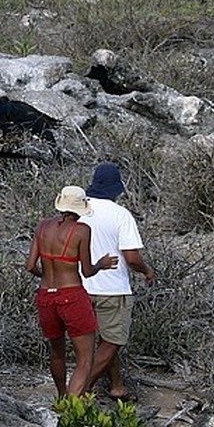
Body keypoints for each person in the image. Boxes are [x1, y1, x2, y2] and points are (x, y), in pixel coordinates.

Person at [26, 186, 117, 398]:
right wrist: (101, 264)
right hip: (72, 295)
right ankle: (70, 410)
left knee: (57, 353)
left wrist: (47, 277)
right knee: (84, 359)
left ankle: (61, 397)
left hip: (46, 296)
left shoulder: (42, 227)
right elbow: (86, 270)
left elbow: (30, 266)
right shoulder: (82, 230)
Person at [80, 162, 155, 402]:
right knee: (113, 340)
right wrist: (147, 270)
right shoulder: (121, 215)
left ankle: (116, 385)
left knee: (100, 340)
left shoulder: (80, 211)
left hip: (81, 285)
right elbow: (131, 258)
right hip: (112, 288)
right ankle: (80, 391)